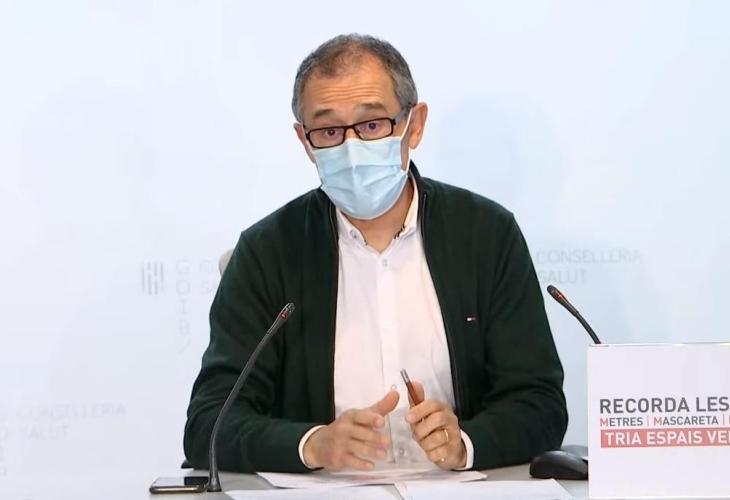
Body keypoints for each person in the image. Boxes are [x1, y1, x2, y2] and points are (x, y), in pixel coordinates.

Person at [184, 33, 567, 473]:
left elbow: (540, 405)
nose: (351, 148)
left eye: (371, 125)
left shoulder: (486, 234)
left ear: (414, 125)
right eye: (329, 131)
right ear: (305, 142)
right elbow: (208, 425)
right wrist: (312, 444)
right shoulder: (266, 252)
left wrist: (466, 442)